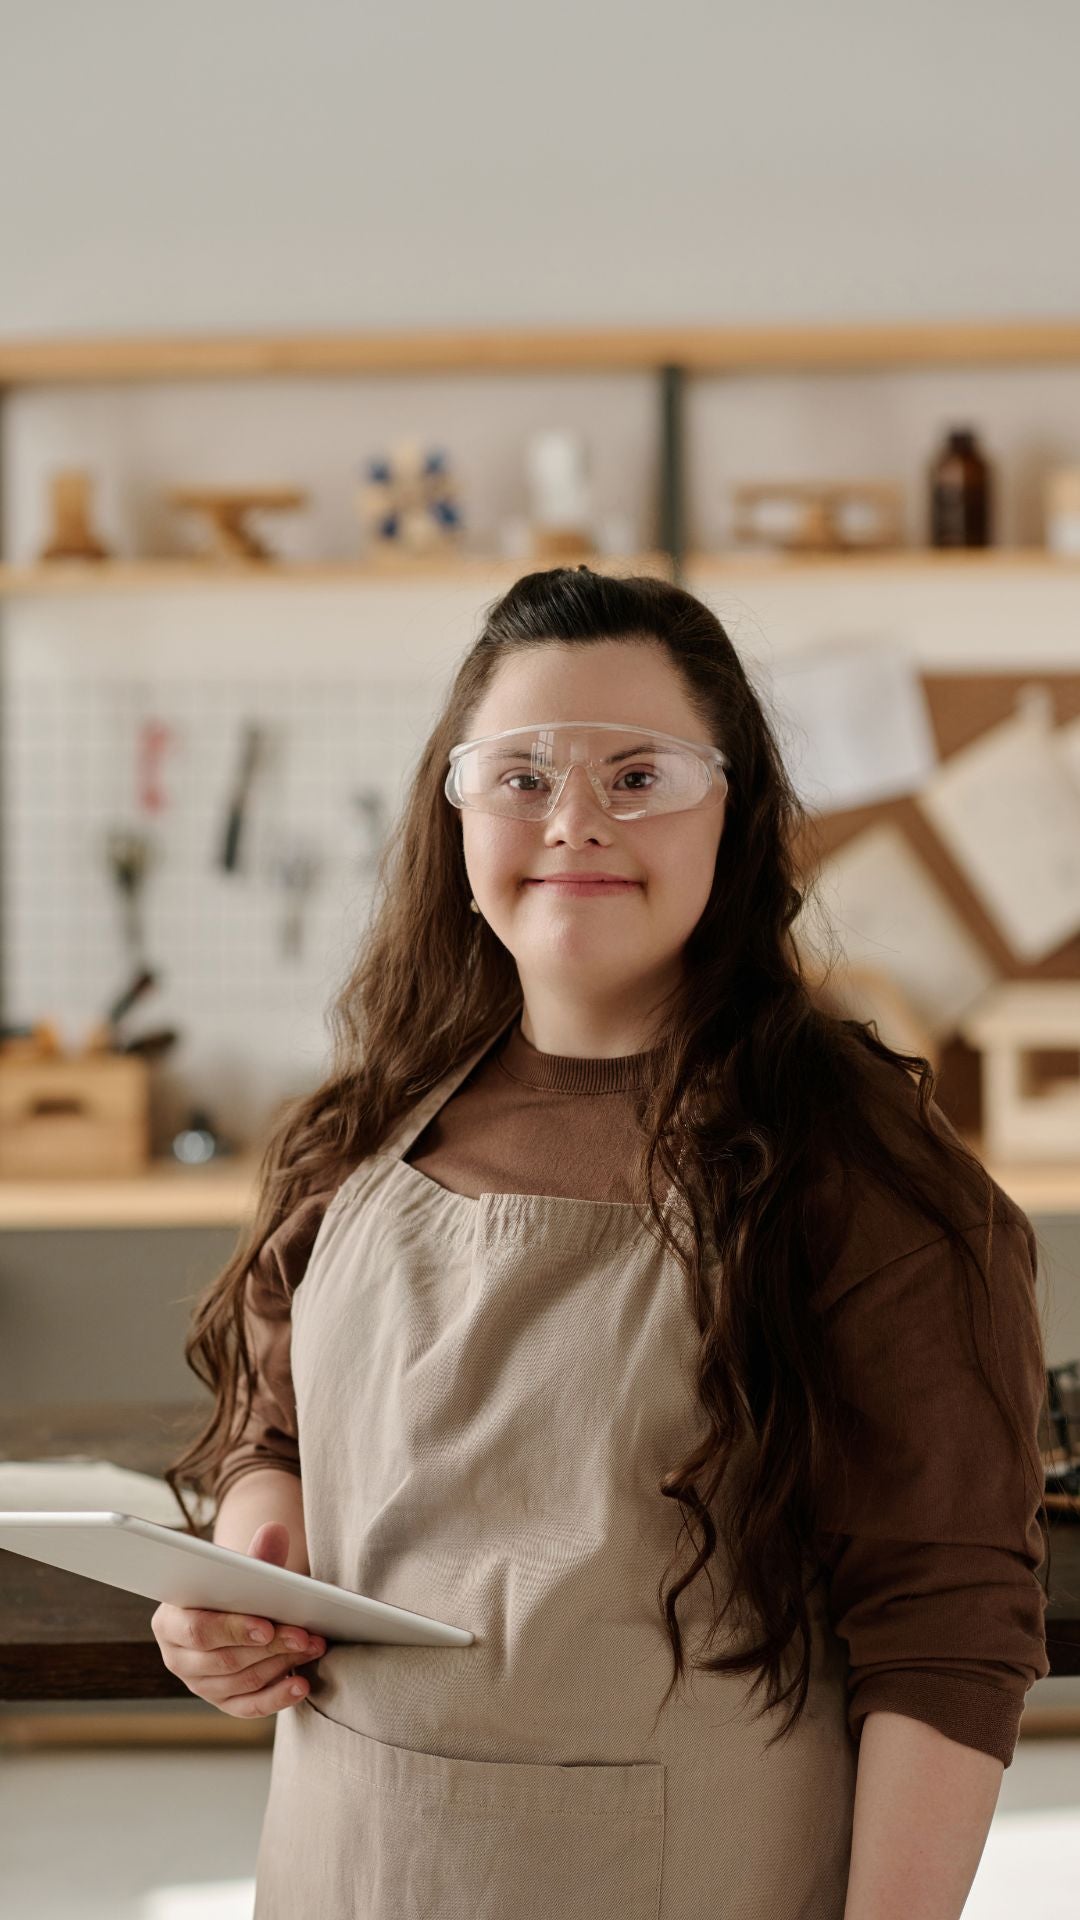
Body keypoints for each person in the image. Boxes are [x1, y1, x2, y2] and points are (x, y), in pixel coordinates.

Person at [155, 565, 1050, 1919]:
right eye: (521, 775)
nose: (573, 820)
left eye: (639, 776)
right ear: (453, 810)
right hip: (349, 1861)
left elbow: (946, 1625)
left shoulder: (863, 1174)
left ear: (732, 815)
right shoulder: (358, 1131)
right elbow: (272, 1433)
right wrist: (247, 1567)